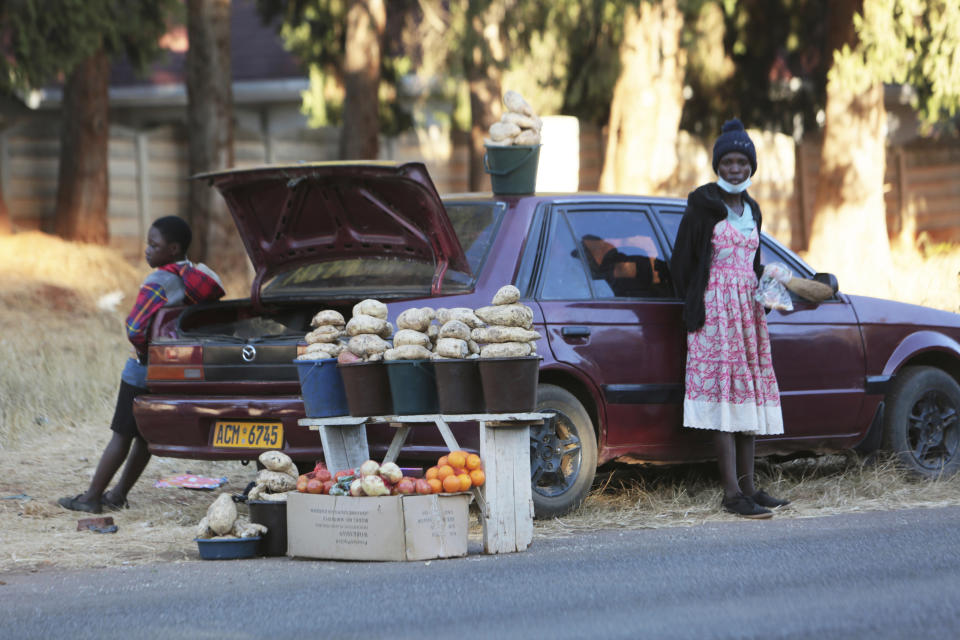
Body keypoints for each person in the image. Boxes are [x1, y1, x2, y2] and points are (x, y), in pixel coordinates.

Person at [59, 216, 225, 514]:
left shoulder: (159, 280)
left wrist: (145, 354)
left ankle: (92, 498)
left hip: (147, 367)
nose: (147, 250)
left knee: (121, 434)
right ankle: (118, 495)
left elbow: (135, 327)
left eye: (154, 245)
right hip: (176, 371)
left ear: (173, 249)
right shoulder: (194, 278)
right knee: (145, 435)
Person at [670, 118, 790, 519]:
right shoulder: (703, 206)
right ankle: (731, 493)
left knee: (747, 395)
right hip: (714, 313)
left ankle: (751, 488)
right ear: (717, 165)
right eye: (728, 161)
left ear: (751, 167)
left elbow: (753, 263)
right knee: (723, 397)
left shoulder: (753, 208)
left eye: (742, 162)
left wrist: (765, 288)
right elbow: (682, 263)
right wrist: (700, 301)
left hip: (748, 314)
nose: (735, 168)